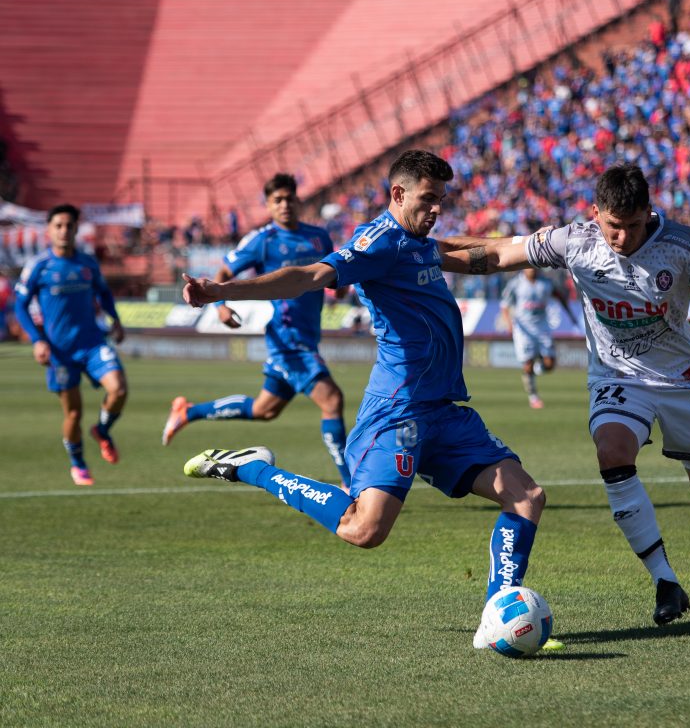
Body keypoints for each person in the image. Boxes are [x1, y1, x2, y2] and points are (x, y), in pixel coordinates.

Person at [179, 151, 551, 650]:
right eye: (428, 199)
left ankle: (497, 614)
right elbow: (308, 276)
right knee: (364, 530)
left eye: (441, 199)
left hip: (442, 411)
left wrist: (550, 244)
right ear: (398, 195)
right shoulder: (379, 242)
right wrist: (223, 290)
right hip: (396, 413)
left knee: (527, 497)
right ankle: (253, 468)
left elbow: (475, 253)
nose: (437, 208)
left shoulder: (420, 242)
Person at [440, 164, 690, 623]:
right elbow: (494, 254)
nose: (623, 237)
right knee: (612, 452)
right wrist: (420, 252)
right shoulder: (575, 241)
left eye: (634, 226)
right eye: (614, 225)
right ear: (596, 214)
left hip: (682, 379)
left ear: (649, 213)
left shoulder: (684, 244)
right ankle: (664, 580)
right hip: (617, 377)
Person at [161, 173, 350, 487]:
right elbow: (223, 270)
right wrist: (220, 306)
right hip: (287, 337)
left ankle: (188, 412)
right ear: (269, 205)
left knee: (264, 410)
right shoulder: (262, 240)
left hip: (307, 335)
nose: (285, 204)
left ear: (298, 200)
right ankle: (350, 484)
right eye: (278, 200)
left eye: (289, 198)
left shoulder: (318, 237)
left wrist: (339, 288)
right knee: (332, 401)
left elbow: (332, 275)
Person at [14, 204, 128, 486]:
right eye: (58, 226)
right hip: (60, 352)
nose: (64, 230)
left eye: (69, 225)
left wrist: (115, 319)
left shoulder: (87, 263)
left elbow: (103, 292)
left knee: (119, 390)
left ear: (77, 229)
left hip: (92, 343)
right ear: (49, 230)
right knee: (73, 413)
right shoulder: (39, 266)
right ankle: (78, 463)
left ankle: (102, 430)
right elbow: (20, 305)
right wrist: (38, 340)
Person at [499, 267, 577, 409]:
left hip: (542, 327)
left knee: (549, 364)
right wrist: (509, 324)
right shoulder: (515, 283)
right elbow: (505, 305)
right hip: (523, 329)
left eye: (533, 266)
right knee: (527, 362)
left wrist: (570, 314)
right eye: (527, 266)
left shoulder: (546, 283)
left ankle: (532, 371)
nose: (531, 269)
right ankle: (533, 397)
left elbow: (560, 297)